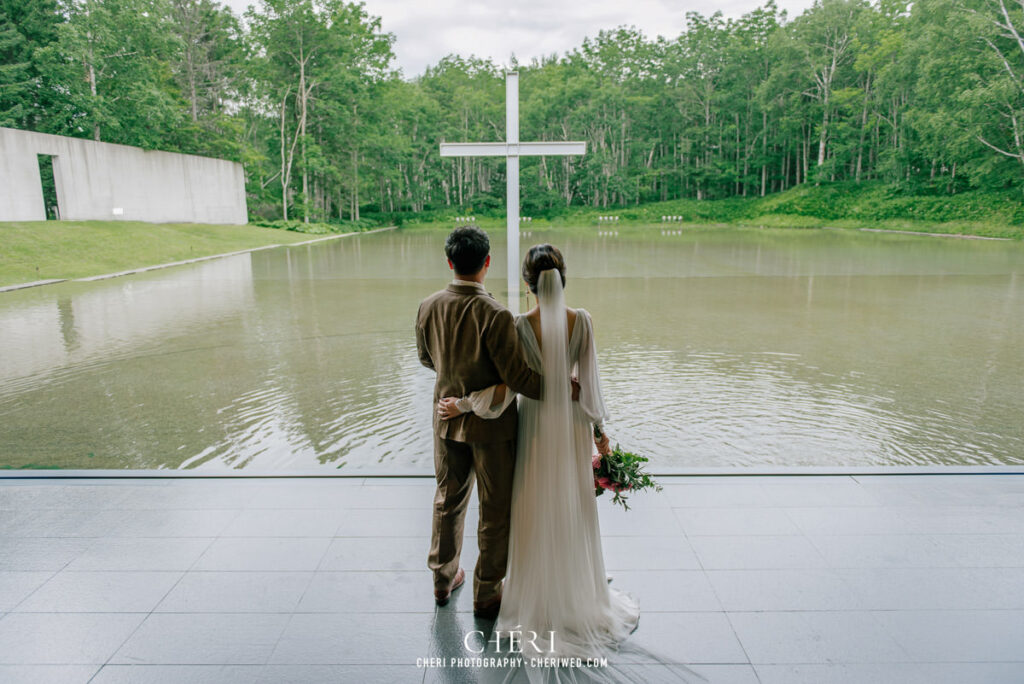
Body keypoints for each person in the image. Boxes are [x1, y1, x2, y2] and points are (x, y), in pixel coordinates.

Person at [437, 243, 640, 667]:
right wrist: (600, 436)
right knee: (571, 502)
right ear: (563, 279)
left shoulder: (518, 324)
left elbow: (510, 386)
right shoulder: (582, 321)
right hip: (571, 428)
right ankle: (577, 587)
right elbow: (589, 387)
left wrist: (462, 404)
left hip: (532, 424)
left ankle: (533, 588)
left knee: (532, 501)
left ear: (528, 285)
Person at [415, 225, 543, 620]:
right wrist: (561, 387)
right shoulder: (496, 313)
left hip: (445, 423)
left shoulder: (428, 305)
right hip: (493, 431)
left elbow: (425, 359)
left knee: (447, 501)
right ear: (487, 263)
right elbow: (519, 379)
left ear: (450, 262)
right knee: (494, 509)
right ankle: (486, 593)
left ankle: (442, 578)